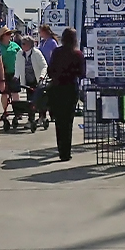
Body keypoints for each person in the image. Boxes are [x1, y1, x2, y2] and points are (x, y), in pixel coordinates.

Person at [47, 28, 85, 161]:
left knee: (59, 121)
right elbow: (82, 73)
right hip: (71, 88)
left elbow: (50, 71)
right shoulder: (78, 54)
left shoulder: (57, 52)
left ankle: (61, 150)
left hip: (57, 88)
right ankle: (66, 152)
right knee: (68, 121)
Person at [0, 27, 22, 114]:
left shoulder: (15, 45)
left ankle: (17, 112)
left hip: (14, 72)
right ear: (2, 36)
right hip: (3, 73)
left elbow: (22, 54)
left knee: (15, 92)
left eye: (10, 34)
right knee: (4, 93)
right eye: (7, 34)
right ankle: (5, 112)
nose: (10, 35)